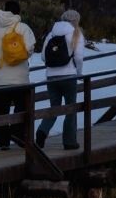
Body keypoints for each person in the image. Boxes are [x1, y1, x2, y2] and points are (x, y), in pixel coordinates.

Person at [0, 0, 36, 149]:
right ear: (18, 12)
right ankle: (17, 135)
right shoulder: (22, 27)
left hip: (0, 80)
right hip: (20, 79)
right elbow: (30, 47)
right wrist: (21, 58)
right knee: (22, 109)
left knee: (0, 111)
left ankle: (2, 141)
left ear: (5, 10)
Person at [36, 10, 84, 150]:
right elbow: (79, 57)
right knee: (70, 108)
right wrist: (78, 73)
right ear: (76, 21)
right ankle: (70, 142)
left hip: (51, 77)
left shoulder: (51, 33)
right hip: (69, 77)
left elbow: (43, 57)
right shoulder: (76, 33)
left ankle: (42, 131)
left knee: (54, 107)